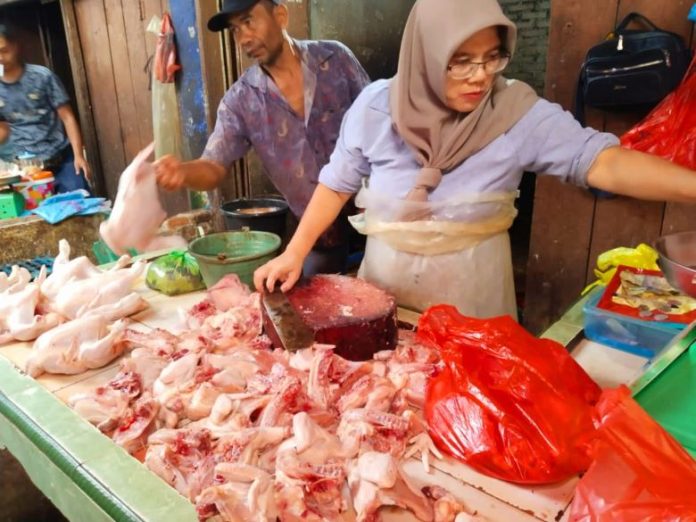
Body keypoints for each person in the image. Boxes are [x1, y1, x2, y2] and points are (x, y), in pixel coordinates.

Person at [254, 0, 696, 318]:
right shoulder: (375, 109)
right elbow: (337, 183)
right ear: (424, 57)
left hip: (475, 293)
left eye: (492, 58)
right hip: (387, 288)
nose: (481, 76)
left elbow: (605, 163)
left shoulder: (516, 114)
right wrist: (295, 253)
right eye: (459, 62)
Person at [154, 0, 370, 276]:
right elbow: (214, 166)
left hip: (376, 222)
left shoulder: (335, 59)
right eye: (234, 30)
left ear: (280, 15)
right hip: (318, 239)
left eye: (248, 21)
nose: (243, 37)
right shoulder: (241, 100)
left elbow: (379, 123)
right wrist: (183, 172)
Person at [0, 24, 91, 193]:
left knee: (80, 205)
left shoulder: (42, 76)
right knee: (35, 214)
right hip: (26, 168)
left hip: (61, 159)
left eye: (4, 50)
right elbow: (3, 129)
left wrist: (78, 156)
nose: (0, 58)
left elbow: (67, 117)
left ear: (15, 46)